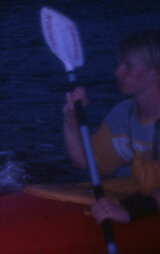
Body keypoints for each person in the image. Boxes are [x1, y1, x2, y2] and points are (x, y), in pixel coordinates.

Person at [62, 29, 160, 224]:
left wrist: (128, 211)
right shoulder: (124, 115)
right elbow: (84, 162)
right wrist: (71, 118)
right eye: (119, 64)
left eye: (128, 66)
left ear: (155, 73)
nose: (117, 72)